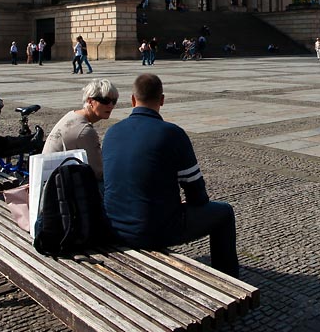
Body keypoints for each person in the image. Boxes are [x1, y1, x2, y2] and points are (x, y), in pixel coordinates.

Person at [102, 74, 239, 277]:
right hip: (154, 230)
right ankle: (229, 278)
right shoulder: (172, 134)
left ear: (132, 99)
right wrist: (189, 205)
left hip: (114, 225)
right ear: (162, 100)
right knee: (224, 213)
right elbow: (195, 191)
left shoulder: (112, 132)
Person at [41, 79, 118, 183]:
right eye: (105, 101)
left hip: (51, 179)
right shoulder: (85, 131)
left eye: (114, 101)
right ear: (90, 101)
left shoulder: (72, 115)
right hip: (60, 188)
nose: (111, 106)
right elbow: (99, 173)